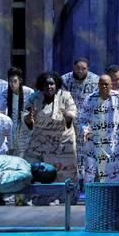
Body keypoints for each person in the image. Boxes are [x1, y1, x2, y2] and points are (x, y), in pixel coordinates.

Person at [22, 71, 78, 201]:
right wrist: (28, 118)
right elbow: (25, 115)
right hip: (41, 139)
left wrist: (67, 115)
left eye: (52, 84)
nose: (49, 87)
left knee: (65, 171)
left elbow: (73, 112)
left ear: (56, 85)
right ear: (41, 86)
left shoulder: (65, 96)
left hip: (62, 139)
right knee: (32, 167)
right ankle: (36, 196)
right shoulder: (34, 97)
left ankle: (67, 197)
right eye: (46, 84)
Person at [79, 74, 119, 185]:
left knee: (114, 174)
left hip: (114, 142)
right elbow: (83, 119)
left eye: (106, 84)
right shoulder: (90, 99)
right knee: (92, 174)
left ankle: (114, 193)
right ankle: (93, 194)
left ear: (111, 85)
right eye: (101, 84)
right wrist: (85, 131)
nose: (104, 86)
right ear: (98, 85)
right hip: (95, 142)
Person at [3, 66, 36, 159]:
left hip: (26, 130)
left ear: (20, 80)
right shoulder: (4, 94)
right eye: (10, 81)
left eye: (15, 81)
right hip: (11, 131)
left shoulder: (29, 92)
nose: (12, 84)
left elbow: (34, 111)